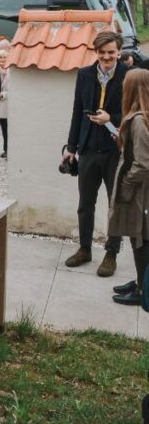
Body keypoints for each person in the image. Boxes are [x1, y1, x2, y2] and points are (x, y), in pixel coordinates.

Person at [63, 30, 128, 277]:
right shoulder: (84, 74)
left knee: (115, 205)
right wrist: (71, 148)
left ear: (119, 52)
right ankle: (84, 249)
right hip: (88, 148)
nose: (106, 57)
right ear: (96, 52)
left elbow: (138, 112)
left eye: (111, 52)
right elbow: (77, 111)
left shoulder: (129, 75)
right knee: (85, 204)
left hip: (116, 151)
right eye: (102, 52)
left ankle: (111, 253)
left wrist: (112, 119)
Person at [108, 69, 149, 305]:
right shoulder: (140, 118)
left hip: (140, 192)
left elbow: (143, 163)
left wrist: (126, 183)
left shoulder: (139, 121)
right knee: (138, 237)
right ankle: (140, 281)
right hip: (140, 190)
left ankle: (143, 291)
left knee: (140, 237)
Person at [0, 50, 10, 158]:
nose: (2, 59)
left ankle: (7, 149)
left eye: (4, 57)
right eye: (0, 57)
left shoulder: (11, 70)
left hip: (7, 104)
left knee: (6, 129)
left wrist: (5, 94)